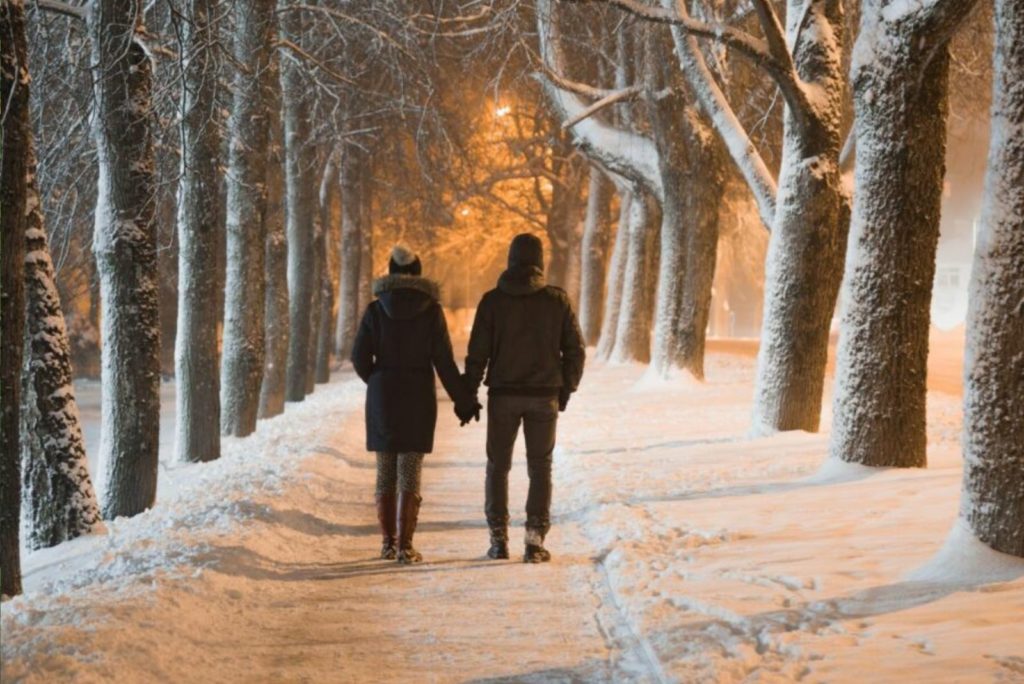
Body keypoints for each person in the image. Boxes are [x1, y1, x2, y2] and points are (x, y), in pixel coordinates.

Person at [352, 245, 480, 564]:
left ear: (390, 273)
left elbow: (358, 357)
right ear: (418, 273)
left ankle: (387, 542)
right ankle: (405, 546)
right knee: (410, 468)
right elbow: (444, 362)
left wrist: (378, 379)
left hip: (384, 395)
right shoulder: (431, 310)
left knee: (385, 470)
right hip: (418, 395)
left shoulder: (375, 310)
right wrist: (464, 401)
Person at [464, 233, 585, 563]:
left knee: (497, 467)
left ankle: (498, 539)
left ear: (509, 260)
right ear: (540, 261)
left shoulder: (492, 301)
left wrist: (468, 393)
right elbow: (575, 350)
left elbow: (477, 353)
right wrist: (565, 389)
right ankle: (534, 540)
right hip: (543, 396)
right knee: (540, 468)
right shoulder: (556, 301)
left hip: (503, 395)